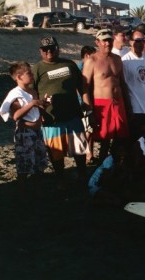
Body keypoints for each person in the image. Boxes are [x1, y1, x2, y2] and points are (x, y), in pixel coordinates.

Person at [33, 36, 89, 189]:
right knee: (56, 152)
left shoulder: (69, 64)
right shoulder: (37, 68)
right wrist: (38, 109)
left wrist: (86, 102)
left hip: (73, 114)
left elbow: (81, 86)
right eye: (45, 49)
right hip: (51, 118)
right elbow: (31, 92)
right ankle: (60, 179)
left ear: (58, 48)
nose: (49, 51)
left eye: (52, 48)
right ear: (41, 51)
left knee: (79, 148)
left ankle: (83, 174)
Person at [0, 62, 49, 195]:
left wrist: (42, 104)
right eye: (29, 73)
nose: (32, 75)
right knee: (25, 162)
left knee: (39, 159)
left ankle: (37, 187)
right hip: (25, 132)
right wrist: (32, 104)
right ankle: (22, 189)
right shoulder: (16, 94)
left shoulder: (32, 91)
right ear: (19, 77)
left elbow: (35, 111)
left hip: (37, 130)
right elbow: (16, 115)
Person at [82, 29, 131, 160]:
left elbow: (122, 83)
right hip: (102, 104)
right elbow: (84, 88)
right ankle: (101, 165)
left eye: (109, 40)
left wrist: (128, 105)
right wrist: (89, 111)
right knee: (104, 139)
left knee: (120, 137)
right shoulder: (91, 61)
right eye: (104, 41)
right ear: (97, 42)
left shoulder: (117, 59)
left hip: (118, 103)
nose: (107, 43)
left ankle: (116, 165)